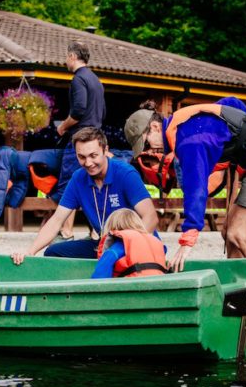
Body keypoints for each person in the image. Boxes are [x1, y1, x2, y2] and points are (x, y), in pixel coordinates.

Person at [127, 97, 246, 272]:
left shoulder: (188, 141)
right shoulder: (186, 122)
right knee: (228, 232)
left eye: (146, 143)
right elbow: (232, 103)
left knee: (238, 232)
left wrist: (188, 238)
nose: (150, 151)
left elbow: (196, 189)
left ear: (155, 127)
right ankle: (240, 286)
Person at [11, 127, 158, 264]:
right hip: (105, 245)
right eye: (81, 157)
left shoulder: (126, 173)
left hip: (138, 244)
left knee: (113, 258)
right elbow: (57, 220)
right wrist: (30, 251)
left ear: (106, 150)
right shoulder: (78, 178)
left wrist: (125, 247)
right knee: (54, 252)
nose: (88, 163)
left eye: (93, 156)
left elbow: (151, 217)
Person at [54, 41, 106, 242]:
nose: (66, 60)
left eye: (67, 56)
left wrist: (63, 126)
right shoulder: (95, 79)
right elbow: (102, 111)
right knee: (93, 182)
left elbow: (78, 110)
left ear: (73, 56)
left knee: (70, 182)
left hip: (81, 138)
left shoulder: (78, 79)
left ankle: (66, 231)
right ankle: (96, 230)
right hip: (96, 136)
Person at [91, 208, 168, 279]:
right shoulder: (155, 242)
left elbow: (100, 276)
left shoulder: (116, 248)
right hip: (159, 286)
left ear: (111, 228)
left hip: (134, 288)